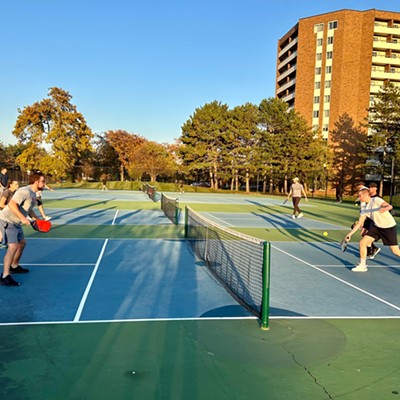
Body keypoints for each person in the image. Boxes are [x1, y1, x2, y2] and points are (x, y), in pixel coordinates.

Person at [0, 172, 46, 286]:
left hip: (16, 222)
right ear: (36, 182)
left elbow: (28, 209)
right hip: (7, 220)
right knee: (13, 246)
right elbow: (11, 205)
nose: (45, 184)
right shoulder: (24, 191)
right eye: (43, 181)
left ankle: (14, 266)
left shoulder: (33, 194)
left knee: (22, 243)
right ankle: (5, 275)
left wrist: (37, 219)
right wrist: (23, 219)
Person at [345, 186, 400, 272]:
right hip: (377, 227)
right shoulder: (364, 208)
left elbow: (389, 206)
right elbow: (360, 223)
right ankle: (362, 265)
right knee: (362, 243)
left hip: (388, 227)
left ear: (365, 195)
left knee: (395, 251)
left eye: (360, 196)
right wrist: (349, 234)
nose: (359, 198)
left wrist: (384, 208)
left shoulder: (376, 200)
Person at [0, 180, 19, 248]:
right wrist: (11, 208)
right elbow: (1, 204)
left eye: (18, 184)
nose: (17, 186)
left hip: (9, 215)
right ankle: (3, 243)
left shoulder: (15, 193)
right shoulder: (7, 192)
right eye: (16, 184)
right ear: (11, 185)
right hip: (3, 214)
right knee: (3, 230)